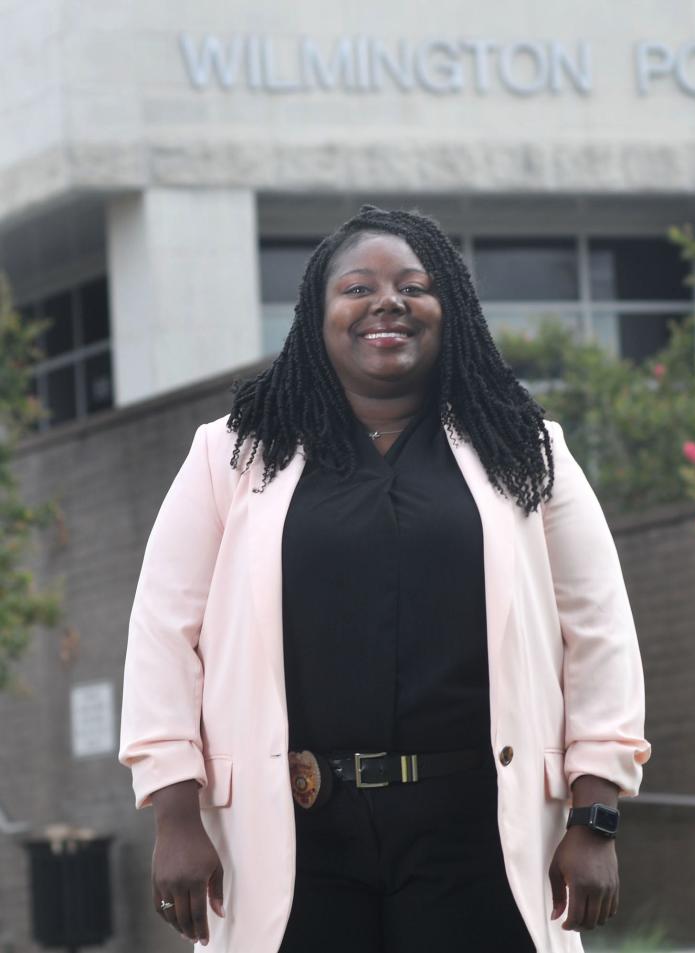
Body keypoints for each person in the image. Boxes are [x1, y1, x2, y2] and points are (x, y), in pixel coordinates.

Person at [118, 205, 652, 952]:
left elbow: (597, 629)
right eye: (357, 287)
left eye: (414, 285)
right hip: (294, 831)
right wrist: (175, 812)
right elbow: (163, 632)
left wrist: (593, 815)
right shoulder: (233, 455)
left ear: (450, 310)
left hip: (474, 829)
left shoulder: (525, 447)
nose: (387, 302)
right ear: (318, 312)